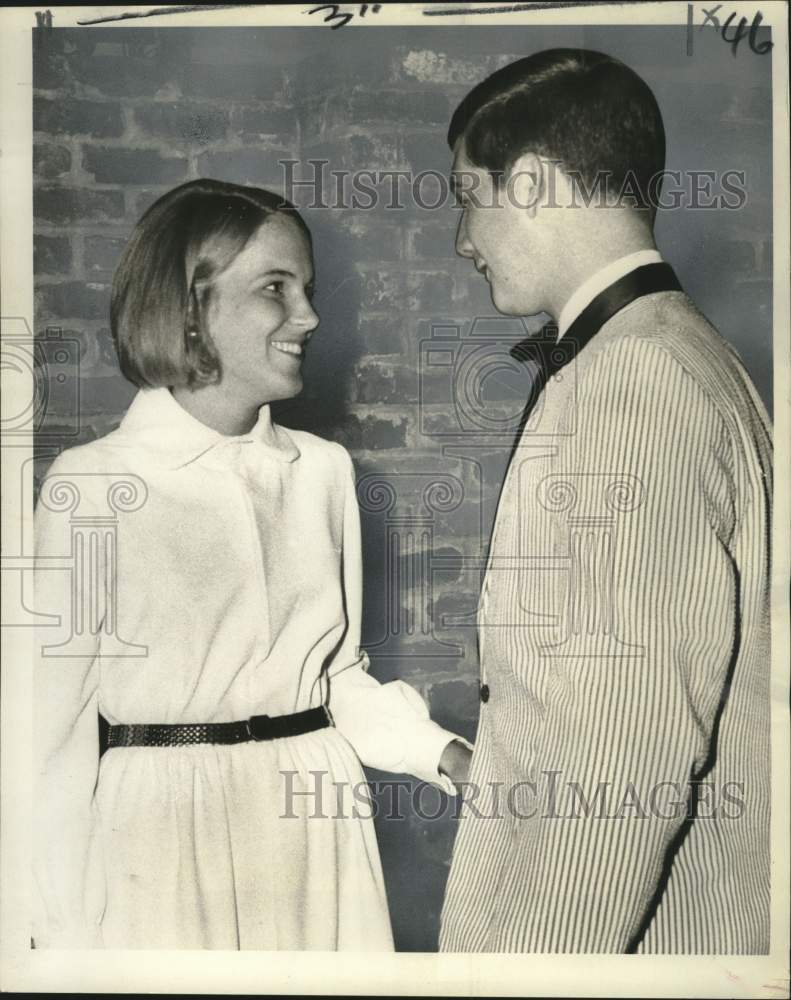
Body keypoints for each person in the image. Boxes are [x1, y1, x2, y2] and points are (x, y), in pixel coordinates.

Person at [33, 178, 472, 950]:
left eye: (306, 289)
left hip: (318, 825)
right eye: (276, 287)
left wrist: (443, 753)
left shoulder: (325, 471)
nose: (308, 316)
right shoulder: (92, 486)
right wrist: (54, 931)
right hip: (163, 844)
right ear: (190, 308)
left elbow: (333, 681)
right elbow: (46, 736)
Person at [439, 49, 772, 953]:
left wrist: (537, 975)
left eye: (470, 196)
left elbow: (622, 740)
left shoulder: (631, 379)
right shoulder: (685, 354)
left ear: (536, 182)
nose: (463, 240)